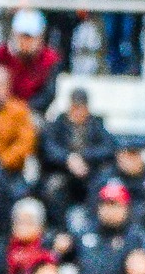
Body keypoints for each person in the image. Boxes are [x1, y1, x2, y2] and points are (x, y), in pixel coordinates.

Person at [37, 87, 115, 223]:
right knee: (53, 188)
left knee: (101, 186)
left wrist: (84, 156)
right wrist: (68, 158)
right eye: (75, 107)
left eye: (81, 108)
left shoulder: (96, 124)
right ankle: (58, 227)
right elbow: (48, 148)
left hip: (90, 173)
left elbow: (108, 148)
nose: (78, 112)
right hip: (62, 172)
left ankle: (92, 225)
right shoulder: (59, 123)